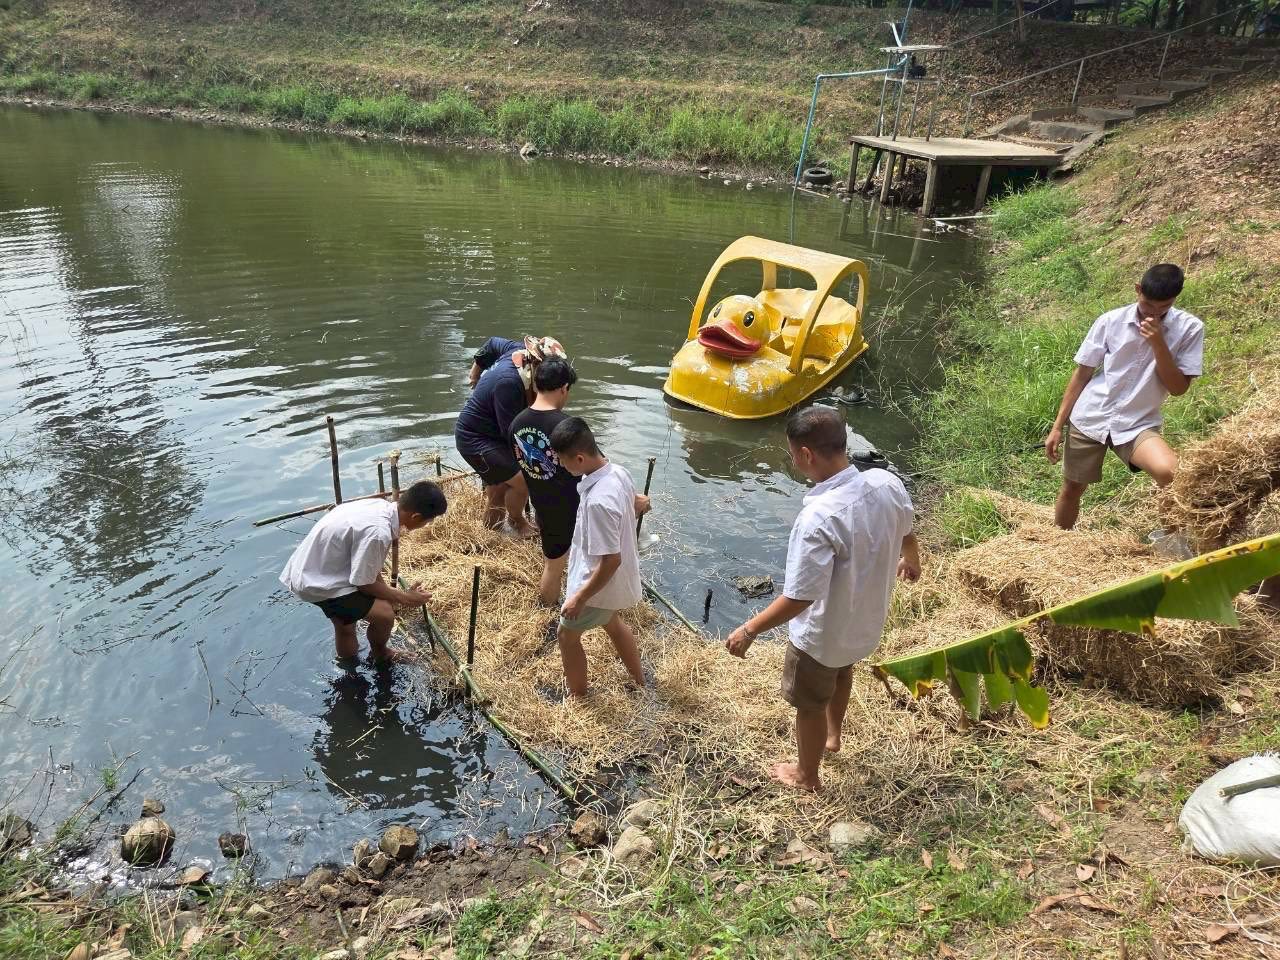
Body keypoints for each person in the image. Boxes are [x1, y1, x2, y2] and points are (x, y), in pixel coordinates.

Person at [725, 406, 919, 792]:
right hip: (864, 622)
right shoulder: (885, 482)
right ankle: (833, 738)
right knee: (843, 670)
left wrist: (749, 629)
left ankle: (806, 775)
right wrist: (912, 558)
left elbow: (800, 597)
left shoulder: (818, 518)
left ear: (805, 455)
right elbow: (907, 525)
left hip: (822, 634)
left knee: (809, 703)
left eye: (792, 453)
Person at [1044, 263, 1203, 530]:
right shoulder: (1110, 321)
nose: (1152, 314)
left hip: (1137, 422)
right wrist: (1058, 426)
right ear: (1138, 290)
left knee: (1172, 473)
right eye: (1147, 306)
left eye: (1162, 309)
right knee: (1072, 487)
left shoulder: (1190, 329)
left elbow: (1178, 389)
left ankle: (1169, 542)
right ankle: (1058, 543)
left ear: (1176, 298)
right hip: (1092, 416)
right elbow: (1081, 375)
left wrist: (1159, 344)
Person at [279, 481, 447, 663]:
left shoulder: (378, 506)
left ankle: (349, 666)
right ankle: (379, 654)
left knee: (346, 623)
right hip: (319, 583)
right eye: (430, 520)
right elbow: (364, 584)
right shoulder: (378, 532)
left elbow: (369, 570)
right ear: (416, 516)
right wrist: (405, 598)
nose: (429, 524)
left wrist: (392, 596)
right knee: (384, 615)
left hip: (310, 569)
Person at [550, 417, 651, 697]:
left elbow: (611, 560)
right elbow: (631, 503)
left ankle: (578, 698)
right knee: (613, 624)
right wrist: (639, 504)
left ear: (579, 458)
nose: (560, 465)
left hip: (596, 586)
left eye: (561, 460)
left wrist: (579, 598)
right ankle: (641, 682)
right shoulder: (617, 471)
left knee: (566, 636)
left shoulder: (597, 503)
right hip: (611, 584)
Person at [454, 335, 566, 537]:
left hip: (492, 431)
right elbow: (515, 434)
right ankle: (517, 522)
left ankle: (492, 534)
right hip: (475, 438)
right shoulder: (509, 384)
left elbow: (491, 343)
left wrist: (475, 373)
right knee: (522, 479)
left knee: (499, 488)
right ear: (535, 360)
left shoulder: (516, 350)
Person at [508, 357, 583, 608]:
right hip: (566, 507)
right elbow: (595, 466)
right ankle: (547, 612)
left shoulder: (516, 423)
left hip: (540, 500)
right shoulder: (565, 426)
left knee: (553, 556)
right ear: (564, 388)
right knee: (554, 565)